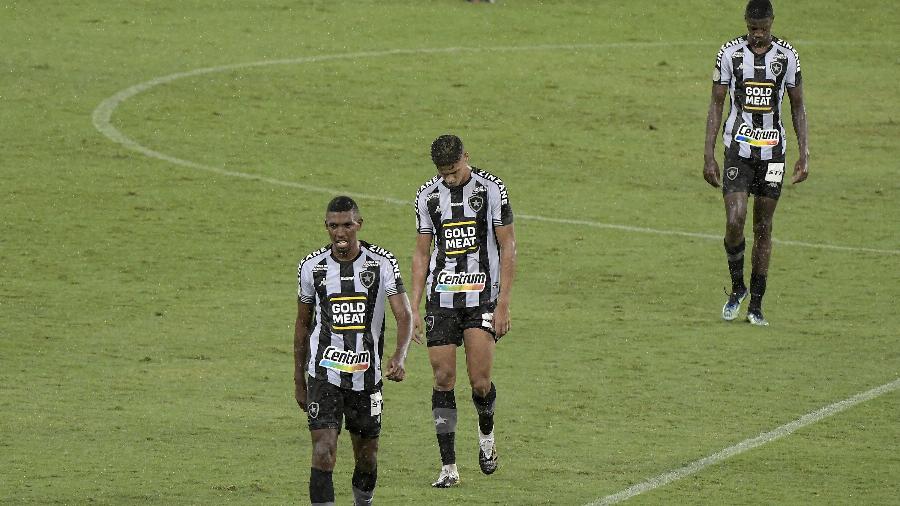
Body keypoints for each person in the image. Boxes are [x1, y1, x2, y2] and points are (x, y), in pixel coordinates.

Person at [294, 196, 416, 506]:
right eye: (333, 226)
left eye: (347, 225)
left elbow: (404, 315)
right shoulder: (312, 267)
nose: (340, 233)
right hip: (324, 374)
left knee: (367, 457)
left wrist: (399, 357)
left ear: (358, 224)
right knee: (323, 451)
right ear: (326, 227)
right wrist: (299, 379)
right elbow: (302, 324)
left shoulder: (380, 262)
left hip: (367, 376)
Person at [411, 134, 517, 487]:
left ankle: (486, 437)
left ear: (465, 158)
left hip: (482, 298)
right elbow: (422, 253)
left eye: (454, 171)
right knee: (442, 379)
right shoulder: (427, 195)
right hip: (441, 298)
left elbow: (508, 245)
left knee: (480, 382)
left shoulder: (491, 189)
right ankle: (448, 467)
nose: (449, 178)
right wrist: (413, 305)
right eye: (443, 173)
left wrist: (503, 304)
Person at [703, 0, 808, 326]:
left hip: (773, 154)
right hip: (738, 150)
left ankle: (756, 306)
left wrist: (805, 153)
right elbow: (717, 104)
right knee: (736, 218)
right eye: (752, 29)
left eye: (762, 29)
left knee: (763, 227)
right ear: (746, 24)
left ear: (772, 23)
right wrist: (708, 154)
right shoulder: (730, 54)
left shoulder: (787, 57)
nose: (757, 35)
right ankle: (738, 289)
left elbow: (798, 107)